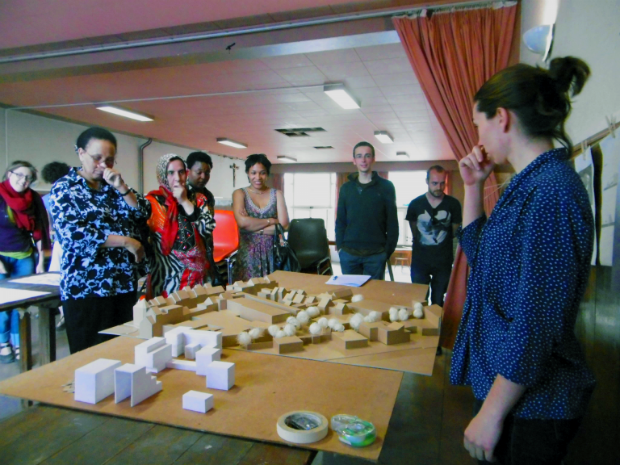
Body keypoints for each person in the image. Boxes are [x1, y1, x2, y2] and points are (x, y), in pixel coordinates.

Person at [451, 57, 595, 464]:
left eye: (479, 125)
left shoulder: (550, 192)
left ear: (502, 118)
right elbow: (482, 258)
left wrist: (492, 411)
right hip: (514, 389)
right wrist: (473, 188)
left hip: (533, 402)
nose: (477, 138)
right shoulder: (528, 185)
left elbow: (536, 320)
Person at [50, 127, 150, 354]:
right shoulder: (65, 189)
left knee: (121, 352)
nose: (103, 166)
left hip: (121, 283)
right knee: (90, 357)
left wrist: (122, 188)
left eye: (109, 160)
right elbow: (73, 235)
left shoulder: (113, 186)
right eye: (97, 158)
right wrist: (126, 241)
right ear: (80, 152)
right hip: (87, 288)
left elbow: (143, 213)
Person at [0, 161, 51, 363]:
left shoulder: (34, 200)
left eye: (28, 177)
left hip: (25, 256)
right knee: (3, 304)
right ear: (8, 174)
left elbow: (40, 230)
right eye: (19, 175)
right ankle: (3, 342)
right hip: (1, 257)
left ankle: (18, 342)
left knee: (21, 306)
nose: (24, 180)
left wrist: (40, 263)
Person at [146, 154, 215, 298]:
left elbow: (207, 229)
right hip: (166, 277)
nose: (177, 178)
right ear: (162, 175)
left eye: (181, 172)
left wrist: (184, 201)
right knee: (169, 316)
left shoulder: (199, 199)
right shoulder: (152, 203)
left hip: (197, 276)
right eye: (170, 173)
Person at [335, 141, 398, 280]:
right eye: (359, 156)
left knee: (372, 297)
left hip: (376, 254)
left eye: (367, 156)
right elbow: (340, 221)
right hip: (349, 254)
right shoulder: (346, 188)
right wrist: (340, 248)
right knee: (351, 296)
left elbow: (392, 222)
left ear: (373, 159)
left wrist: (387, 252)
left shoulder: (386, 187)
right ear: (354, 161)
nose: (363, 160)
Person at [406, 166, 462, 306]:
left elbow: (454, 230)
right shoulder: (415, 204)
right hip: (420, 260)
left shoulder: (453, 204)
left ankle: (437, 327)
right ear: (427, 181)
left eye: (442, 183)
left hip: (443, 260)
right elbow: (414, 229)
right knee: (419, 300)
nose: (439, 187)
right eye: (434, 183)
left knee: (438, 301)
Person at [232, 154, 289, 281]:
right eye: (253, 173)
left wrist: (255, 227)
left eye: (262, 173)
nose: (257, 177)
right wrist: (271, 221)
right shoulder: (239, 194)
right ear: (247, 173)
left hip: (273, 254)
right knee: (246, 295)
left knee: (275, 294)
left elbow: (284, 225)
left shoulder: (277, 194)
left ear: (267, 174)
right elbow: (243, 223)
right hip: (248, 254)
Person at [41, 161, 72, 330]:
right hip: (70, 243)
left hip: (59, 243)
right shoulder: (70, 192)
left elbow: (49, 226)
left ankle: (63, 314)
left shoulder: (46, 198)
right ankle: (66, 313)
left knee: (57, 278)